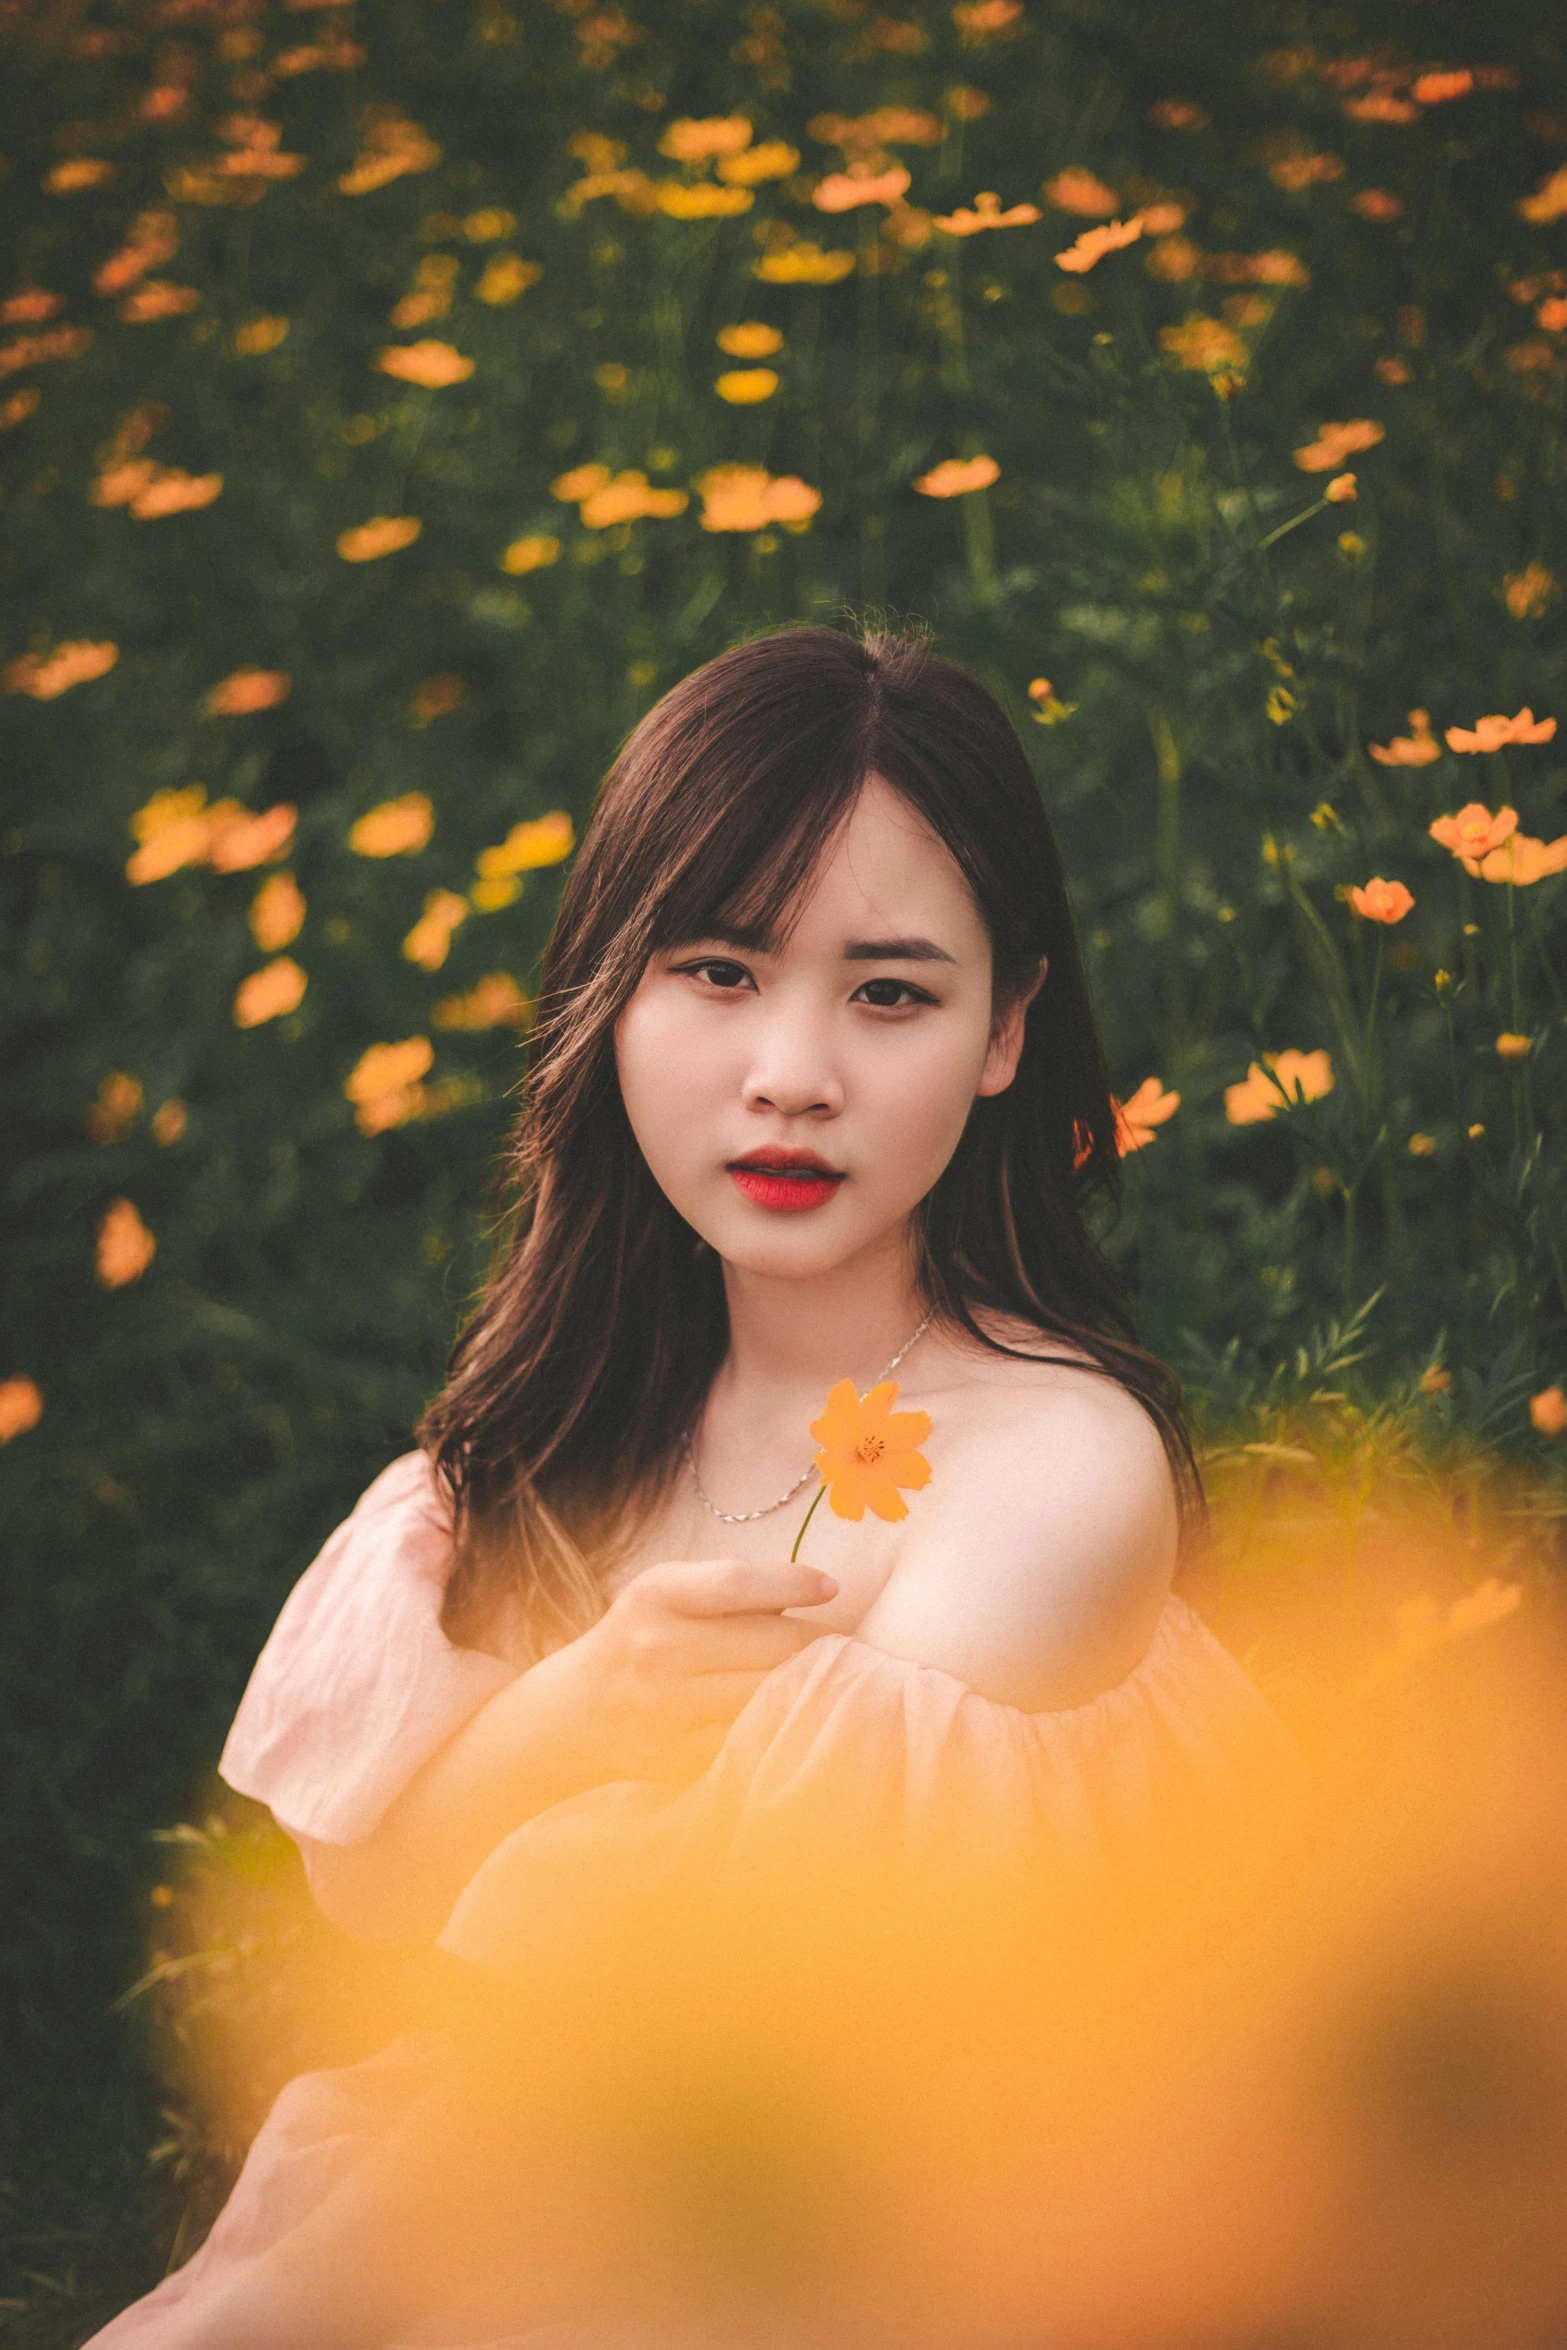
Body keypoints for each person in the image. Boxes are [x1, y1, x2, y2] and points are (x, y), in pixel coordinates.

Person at [88, 625, 1299, 2350]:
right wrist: (593, 1702)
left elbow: (817, 2062)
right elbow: (372, 1899)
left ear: (1006, 1030)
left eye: (888, 991)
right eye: (720, 971)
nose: (790, 1070)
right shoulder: (572, 1411)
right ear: (612, 992)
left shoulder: (1052, 1474)